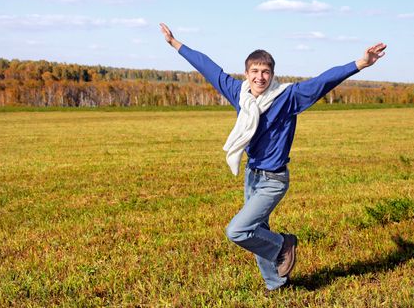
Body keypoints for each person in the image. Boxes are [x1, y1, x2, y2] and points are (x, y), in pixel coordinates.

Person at [160, 22, 386, 291]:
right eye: (254, 71)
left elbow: (323, 81)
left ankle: (284, 245)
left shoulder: (288, 96)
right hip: (252, 176)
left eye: (265, 72)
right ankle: (277, 284)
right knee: (257, 231)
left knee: (238, 231)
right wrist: (176, 44)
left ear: (272, 74)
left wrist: (361, 62)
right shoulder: (239, 94)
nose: (259, 77)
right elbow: (208, 68)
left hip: (274, 179)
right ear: (246, 74)